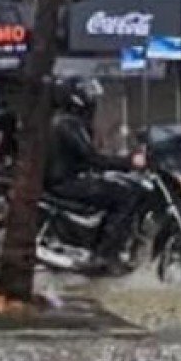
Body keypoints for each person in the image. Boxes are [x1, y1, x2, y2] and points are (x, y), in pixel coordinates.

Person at [44, 77, 145, 262]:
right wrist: (129, 162)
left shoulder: (61, 120)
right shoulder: (67, 124)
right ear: (77, 98)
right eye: (89, 96)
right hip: (67, 182)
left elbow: (83, 158)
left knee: (115, 186)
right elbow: (92, 158)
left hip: (63, 179)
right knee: (126, 195)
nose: (93, 101)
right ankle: (106, 254)